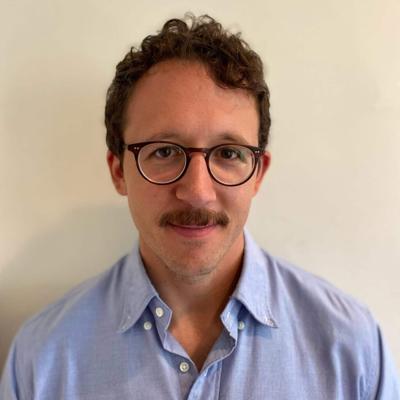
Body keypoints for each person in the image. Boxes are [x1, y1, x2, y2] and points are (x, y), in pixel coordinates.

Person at [1, 14, 399, 400]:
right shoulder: (42, 358)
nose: (197, 192)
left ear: (258, 174)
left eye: (228, 153)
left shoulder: (351, 348)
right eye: (164, 151)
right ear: (118, 171)